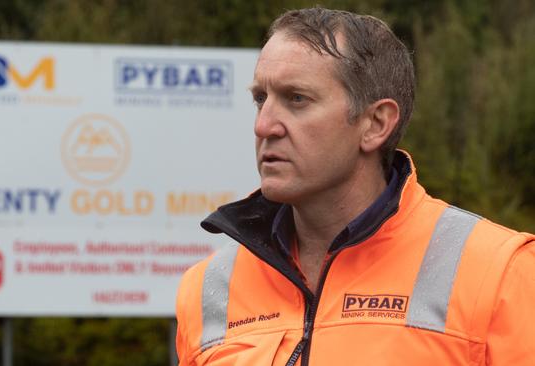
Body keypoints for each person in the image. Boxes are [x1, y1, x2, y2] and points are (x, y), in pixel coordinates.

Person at [175, 5, 535, 366]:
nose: (264, 125)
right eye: (260, 99)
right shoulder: (208, 287)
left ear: (376, 124)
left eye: (297, 99)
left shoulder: (499, 272)